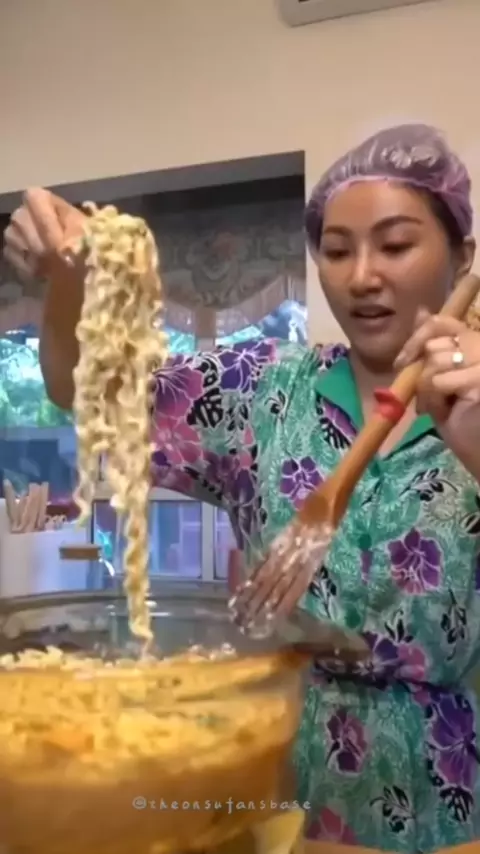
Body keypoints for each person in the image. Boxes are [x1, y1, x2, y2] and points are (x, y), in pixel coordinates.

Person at [5, 123, 480, 852]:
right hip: (273, 762)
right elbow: (93, 392)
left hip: (450, 800)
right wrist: (70, 279)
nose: (362, 276)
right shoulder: (259, 388)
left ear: (462, 258)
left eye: (394, 245)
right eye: (337, 250)